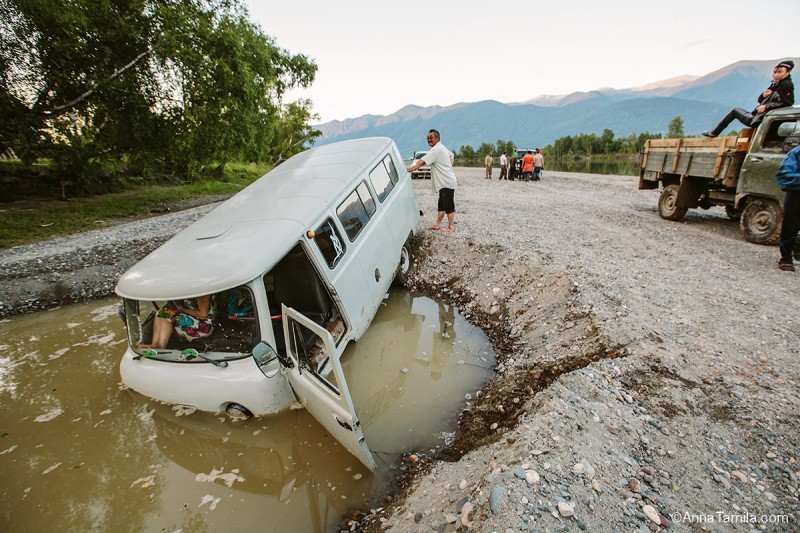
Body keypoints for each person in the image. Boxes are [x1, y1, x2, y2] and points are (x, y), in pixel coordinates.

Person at [702, 60, 794, 138]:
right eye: (775, 72)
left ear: (788, 72)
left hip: (760, 118)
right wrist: (763, 95)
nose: (776, 75)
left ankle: (714, 133)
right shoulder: (775, 84)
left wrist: (766, 107)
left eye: (779, 72)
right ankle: (714, 133)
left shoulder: (786, 84)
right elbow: (760, 100)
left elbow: (788, 102)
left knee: (735, 111)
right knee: (736, 111)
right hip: (759, 116)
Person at [407, 129, 458, 232]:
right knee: (441, 206)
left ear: (437, 138)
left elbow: (421, 162)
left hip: (446, 182)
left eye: (431, 137)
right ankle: (437, 224)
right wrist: (448, 167)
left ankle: (451, 227)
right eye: (427, 138)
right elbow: (452, 155)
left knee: (448, 206)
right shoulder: (440, 147)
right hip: (445, 182)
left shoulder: (436, 150)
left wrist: (409, 169)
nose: (429, 139)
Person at [136, 295, 217, 348]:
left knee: (167, 317)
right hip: (192, 316)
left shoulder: (202, 293)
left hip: (203, 325)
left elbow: (203, 314)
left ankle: (161, 346)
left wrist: (182, 309)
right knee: (160, 313)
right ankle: (154, 344)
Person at [775, 144, 800, 271]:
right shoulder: (797, 152)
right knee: (790, 225)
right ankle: (786, 258)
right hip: (797, 193)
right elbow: (784, 175)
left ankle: (798, 245)